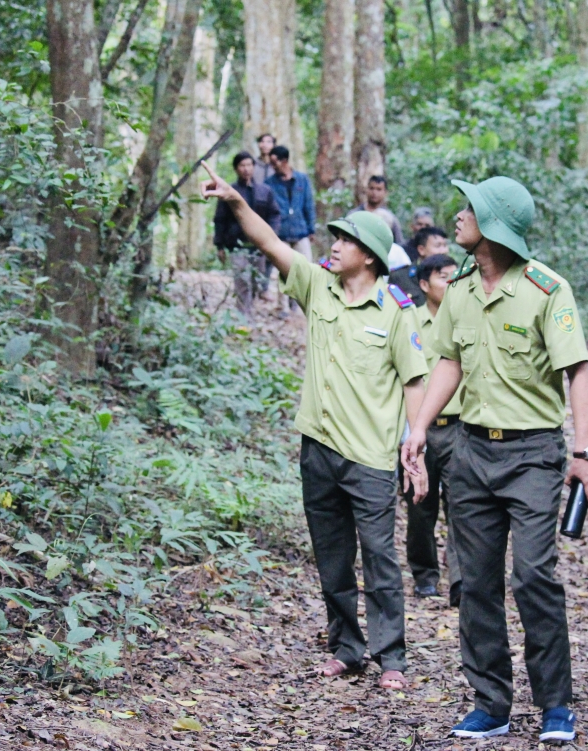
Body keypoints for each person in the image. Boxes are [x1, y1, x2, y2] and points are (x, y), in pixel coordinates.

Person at [201, 163, 429, 692]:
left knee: (379, 559)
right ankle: (347, 648)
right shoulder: (317, 286)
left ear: (369, 255)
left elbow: (414, 381)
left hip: (370, 457)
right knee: (332, 558)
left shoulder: (397, 311)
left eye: (346, 240)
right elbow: (269, 242)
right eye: (336, 238)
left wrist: (413, 443)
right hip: (318, 450)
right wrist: (235, 200)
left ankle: (391, 656)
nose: (335, 246)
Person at [400, 176, 588, 744]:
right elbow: (448, 362)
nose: (458, 216)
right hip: (471, 452)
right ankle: (491, 703)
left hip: (532, 454)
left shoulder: (546, 289)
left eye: (470, 208)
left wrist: (584, 451)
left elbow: (578, 371)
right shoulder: (461, 288)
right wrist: (418, 429)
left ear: (493, 225)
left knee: (533, 575)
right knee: (475, 582)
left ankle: (555, 704)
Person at [405, 253, 463, 606]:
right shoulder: (408, 320)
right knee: (419, 504)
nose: (452, 283)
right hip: (418, 428)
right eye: (444, 277)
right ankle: (425, 576)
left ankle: (460, 580)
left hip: (460, 427)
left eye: (456, 276)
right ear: (425, 284)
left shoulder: (467, 317)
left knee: (463, 504)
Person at [213, 151, 282, 315]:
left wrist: (272, 235)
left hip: (259, 246)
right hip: (237, 245)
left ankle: (250, 310)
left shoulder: (265, 191)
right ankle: (243, 317)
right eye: (242, 165)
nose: (246, 169)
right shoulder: (229, 191)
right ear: (236, 168)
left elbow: (274, 214)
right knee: (241, 281)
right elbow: (220, 219)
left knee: (257, 281)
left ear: (254, 167)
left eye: (249, 165)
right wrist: (219, 246)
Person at [265, 145, 316, 260]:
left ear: (284, 161)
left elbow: (308, 205)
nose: (273, 166)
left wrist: (311, 229)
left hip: (301, 232)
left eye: (274, 163)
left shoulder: (302, 179)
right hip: (280, 235)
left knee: (306, 266)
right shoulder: (269, 183)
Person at [389, 226, 450, 306]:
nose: (444, 251)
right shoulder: (400, 277)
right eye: (437, 246)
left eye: (445, 245)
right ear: (421, 249)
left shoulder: (453, 275)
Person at [349, 175, 406, 247]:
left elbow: (398, 245)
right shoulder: (355, 214)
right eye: (371, 188)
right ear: (366, 189)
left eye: (379, 189)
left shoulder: (390, 219)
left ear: (385, 192)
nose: (374, 192)